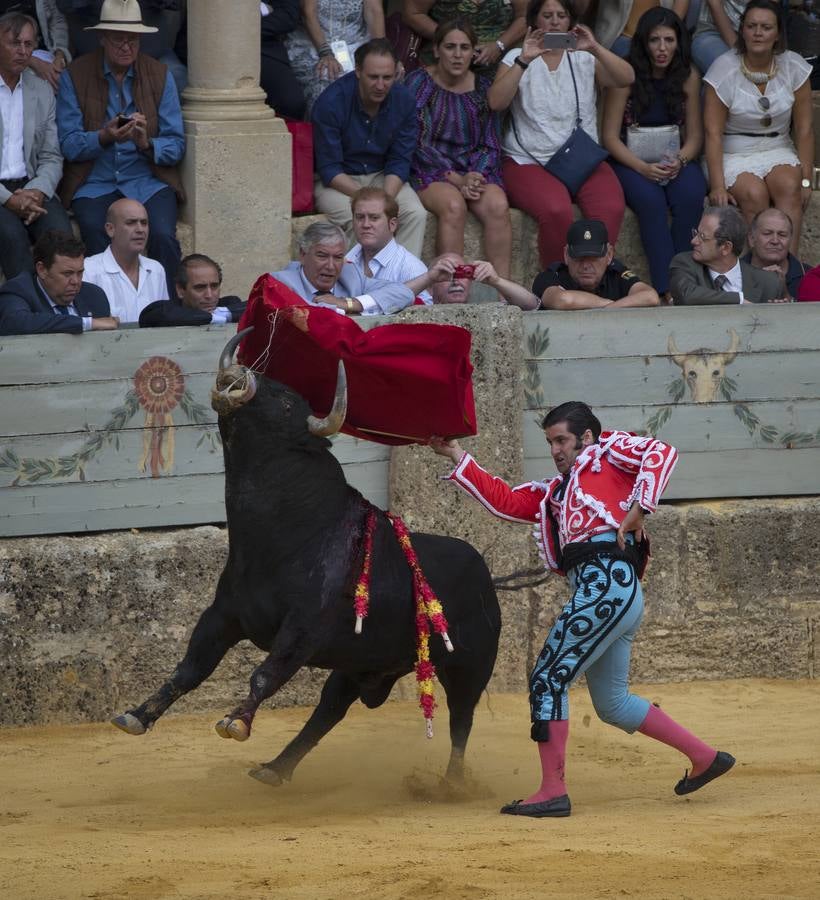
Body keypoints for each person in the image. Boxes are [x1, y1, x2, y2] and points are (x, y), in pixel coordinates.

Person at [430, 401, 735, 817]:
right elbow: (504, 500)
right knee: (613, 703)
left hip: (607, 583)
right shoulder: (553, 493)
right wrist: (455, 455)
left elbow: (661, 452)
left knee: (547, 678)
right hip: (608, 590)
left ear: (586, 438)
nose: (555, 449)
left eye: (562, 440)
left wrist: (639, 509)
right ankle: (705, 757)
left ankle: (553, 791)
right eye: (550, 442)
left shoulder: (607, 453)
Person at [487, 0, 633, 270]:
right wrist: (525, 59)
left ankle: (598, 278)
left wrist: (595, 47)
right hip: (527, 160)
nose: (554, 21)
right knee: (556, 210)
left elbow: (626, 78)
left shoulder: (584, 57)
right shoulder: (516, 57)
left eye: (561, 16)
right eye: (547, 15)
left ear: (571, 22)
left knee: (610, 207)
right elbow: (496, 102)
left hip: (581, 158)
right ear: (535, 22)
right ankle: (556, 283)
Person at [56, 0, 185, 301]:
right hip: (94, 182)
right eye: (118, 39)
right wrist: (104, 136)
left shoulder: (159, 74)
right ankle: (105, 308)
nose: (126, 46)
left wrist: (146, 144)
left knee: (164, 234)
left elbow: (176, 144)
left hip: (147, 181)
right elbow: (70, 144)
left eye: (133, 39)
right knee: (94, 228)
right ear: (103, 38)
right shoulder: (74, 75)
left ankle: (171, 311)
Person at [601, 7, 706, 302]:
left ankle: (686, 279)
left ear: (679, 43)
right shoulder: (627, 72)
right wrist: (642, 168)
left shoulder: (688, 75)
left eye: (669, 40)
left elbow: (695, 136)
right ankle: (667, 287)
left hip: (674, 158)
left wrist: (681, 160)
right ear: (643, 43)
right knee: (651, 204)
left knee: (690, 196)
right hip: (631, 160)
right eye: (654, 40)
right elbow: (609, 137)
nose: (662, 48)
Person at [702, 0, 814, 255]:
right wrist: (717, 185)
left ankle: (789, 271)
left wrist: (806, 180)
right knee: (754, 194)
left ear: (777, 34)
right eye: (751, 26)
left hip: (778, 145)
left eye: (766, 27)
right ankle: (758, 276)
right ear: (742, 31)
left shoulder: (794, 66)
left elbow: (805, 129)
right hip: (734, 151)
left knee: (789, 185)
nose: (758, 33)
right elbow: (713, 133)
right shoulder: (723, 69)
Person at [405, 19, 511, 278]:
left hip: (472, 170)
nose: (457, 54)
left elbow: (490, 142)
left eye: (464, 48)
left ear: (473, 52)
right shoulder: (419, 83)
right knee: (453, 205)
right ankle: (452, 289)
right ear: (437, 49)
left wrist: (477, 176)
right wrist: (455, 178)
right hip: (429, 169)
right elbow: (415, 141)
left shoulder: (484, 88)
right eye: (450, 47)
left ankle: (503, 294)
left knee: (497, 205)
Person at [311, 38, 427, 259]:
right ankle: (355, 287)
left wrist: (384, 199)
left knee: (414, 213)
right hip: (339, 182)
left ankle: (402, 286)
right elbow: (329, 168)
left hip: (383, 176)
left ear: (396, 74)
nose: (381, 85)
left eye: (387, 77)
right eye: (373, 77)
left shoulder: (404, 100)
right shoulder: (331, 102)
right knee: (357, 218)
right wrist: (367, 200)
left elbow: (400, 159)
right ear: (357, 72)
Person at [0, 11, 72, 279]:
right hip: (1, 192)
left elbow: (52, 156)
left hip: (31, 186)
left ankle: (64, 313)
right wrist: (10, 199)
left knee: (62, 239)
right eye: (13, 43)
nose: (22, 51)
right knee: (12, 238)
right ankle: (24, 316)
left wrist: (38, 191)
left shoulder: (40, 90)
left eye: (28, 44)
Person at [272, 221, 445, 315]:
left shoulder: (351, 275)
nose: (331, 266)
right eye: (322, 256)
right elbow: (313, 317)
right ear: (303, 255)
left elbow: (403, 293)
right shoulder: (280, 282)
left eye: (338, 257)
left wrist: (352, 303)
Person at [0, 229, 117, 335]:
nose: (76, 281)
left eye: (80, 272)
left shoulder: (94, 295)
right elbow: (15, 323)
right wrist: (86, 323)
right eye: (67, 274)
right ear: (42, 270)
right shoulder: (18, 291)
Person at [531, 219, 659, 309]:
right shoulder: (552, 276)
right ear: (566, 255)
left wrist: (611, 308)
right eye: (579, 257)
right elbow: (563, 300)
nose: (586, 265)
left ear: (609, 255)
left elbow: (650, 297)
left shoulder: (615, 274)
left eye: (594, 258)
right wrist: (608, 305)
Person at [669, 205, 784, 305]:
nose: (694, 241)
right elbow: (687, 294)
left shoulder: (768, 282)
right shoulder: (684, 263)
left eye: (702, 237)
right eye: (696, 233)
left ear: (725, 247)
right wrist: (738, 299)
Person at [286, 0, 384, 117]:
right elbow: (308, 12)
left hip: (355, 43)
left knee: (379, 78)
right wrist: (325, 52)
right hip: (315, 45)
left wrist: (383, 53)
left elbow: (374, 12)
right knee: (326, 79)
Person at [82, 197, 168, 322]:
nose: (140, 229)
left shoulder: (156, 269)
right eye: (131, 223)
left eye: (144, 223)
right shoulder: (89, 270)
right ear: (110, 229)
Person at [346, 186, 432, 304]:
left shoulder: (411, 268)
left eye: (374, 218)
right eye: (360, 217)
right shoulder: (346, 260)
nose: (366, 224)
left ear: (392, 224)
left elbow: (424, 313)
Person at [401, 0, 527, 74]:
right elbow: (413, 14)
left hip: (495, 68)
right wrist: (452, 40)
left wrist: (499, 45)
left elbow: (526, 16)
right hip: (441, 66)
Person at [139, 253, 246, 327]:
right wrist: (215, 318)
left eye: (214, 286)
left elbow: (256, 306)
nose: (209, 295)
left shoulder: (229, 304)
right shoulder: (164, 311)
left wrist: (224, 313)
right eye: (200, 287)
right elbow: (152, 315)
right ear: (180, 290)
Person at [743, 208, 813, 300]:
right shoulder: (732, 274)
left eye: (782, 235)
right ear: (751, 239)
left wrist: (785, 295)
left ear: (790, 240)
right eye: (767, 233)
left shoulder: (809, 276)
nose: (775, 241)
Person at [589, 0, 690, 59]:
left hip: (662, 34)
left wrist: (667, 34)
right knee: (633, 58)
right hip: (622, 36)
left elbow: (679, 7)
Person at [259, 0, 305, 120]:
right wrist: (263, 8)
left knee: (291, 102)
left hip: (263, 44)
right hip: (211, 46)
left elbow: (288, 16)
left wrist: (246, 30)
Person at [14, 0, 71, 91]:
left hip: (45, 52)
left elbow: (57, 21)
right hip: (10, 57)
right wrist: (34, 62)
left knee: (61, 80)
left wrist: (60, 54)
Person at [691, 0, 745, 76]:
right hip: (712, 31)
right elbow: (714, 3)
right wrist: (737, 49)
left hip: (754, 32)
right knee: (733, 73)